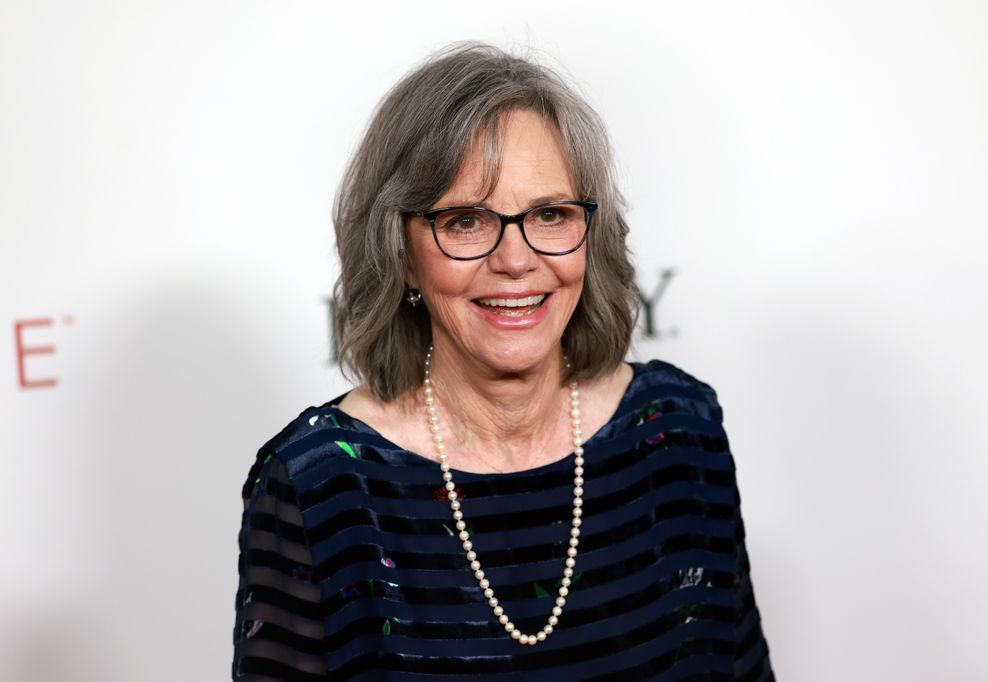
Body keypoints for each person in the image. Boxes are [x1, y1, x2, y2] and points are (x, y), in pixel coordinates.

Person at [232, 43, 774, 681]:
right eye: (465, 221)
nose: (516, 260)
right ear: (401, 252)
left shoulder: (682, 430)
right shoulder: (318, 483)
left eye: (549, 214)